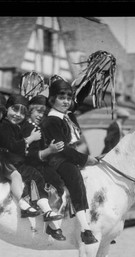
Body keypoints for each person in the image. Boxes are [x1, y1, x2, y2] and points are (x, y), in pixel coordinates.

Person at [0, 94, 65, 240]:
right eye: (15, 110)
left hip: (22, 161)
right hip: (12, 162)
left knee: (51, 177)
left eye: (22, 112)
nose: (18, 115)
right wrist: (32, 141)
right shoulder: (9, 126)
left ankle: (53, 218)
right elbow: (16, 147)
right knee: (37, 177)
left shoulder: (21, 126)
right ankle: (49, 219)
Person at [39, 78, 100, 245]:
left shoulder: (67, 114)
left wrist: (91, 78)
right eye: (61, 98)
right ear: (52, 100)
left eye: (68, 98)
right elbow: (62, 149)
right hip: (57, 158)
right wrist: (85, 159)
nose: (66, 101)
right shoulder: (52, 120)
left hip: (69, 153)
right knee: (74, 177)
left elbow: (78, 100)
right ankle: (85, 229)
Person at [20, 94, 67, 240]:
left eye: (44, 113)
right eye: (38, 111)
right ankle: (53, 225)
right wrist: (49, 151)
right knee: (46, 183)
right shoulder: (27, 128)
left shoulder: (38, 127)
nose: (41, 115)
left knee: (60, 180)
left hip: (41, 163)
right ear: (30, 110)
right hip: (29, 164)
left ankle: (55, 221)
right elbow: (26, 153)